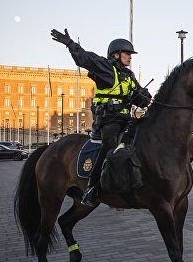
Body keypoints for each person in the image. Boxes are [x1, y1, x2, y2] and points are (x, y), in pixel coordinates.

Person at [51, 28, 151, 206]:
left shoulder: (128, 75)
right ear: (115, 54)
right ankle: (92, 186)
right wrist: (71, 45)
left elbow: (140, 97)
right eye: (127, 53)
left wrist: (143, 96)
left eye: (131, 54)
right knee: (110, 145)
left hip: (126, 118)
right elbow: (85, 59)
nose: (130, 57)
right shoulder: (106, 67)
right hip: (108, 120)